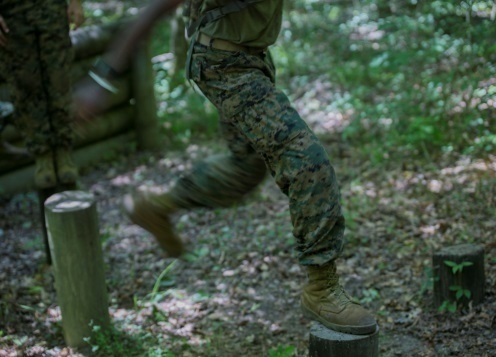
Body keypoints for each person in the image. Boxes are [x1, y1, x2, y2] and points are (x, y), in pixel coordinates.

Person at [75, 0, 378, 335]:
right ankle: (321, 288)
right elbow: (156, 7)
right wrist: (104, 77)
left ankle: (158, 206)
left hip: (251, 58)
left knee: (246, 168)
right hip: (225, 66)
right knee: (306, 160)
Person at [0, 0, 84, 188]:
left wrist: (76, 3)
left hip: (51, 7)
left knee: (59, 79)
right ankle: (42, 155)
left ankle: (64, 151)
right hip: (11, 13)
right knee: (24, 85)